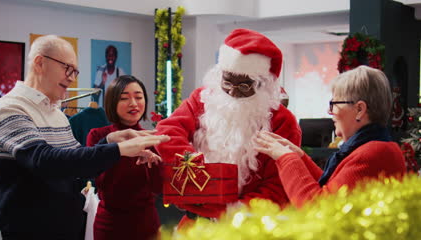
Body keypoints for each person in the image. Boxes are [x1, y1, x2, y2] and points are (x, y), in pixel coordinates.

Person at [0, 35, 169, 240]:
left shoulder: (57, 114)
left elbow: (77, 165)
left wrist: (110, 141)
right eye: (67, 69)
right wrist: (118, 149)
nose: (71, 79)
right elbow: (45, 161)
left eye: (75, 72)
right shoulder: (9, 108)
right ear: (40, 63)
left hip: (67, 238)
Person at [155, 28, 302, 226]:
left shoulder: (282, 121)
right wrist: (194, 170)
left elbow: (280, 186)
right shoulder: (203, 98)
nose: (232, 91)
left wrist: (234, 211)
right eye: (227, 81)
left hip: (247, 232)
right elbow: (168, 131)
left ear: (262, 84)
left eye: (244, 86)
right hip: (194, 226)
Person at [254, 65, 406, 208]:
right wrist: (300, 157)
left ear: (360, 109)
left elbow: (320, 209)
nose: (329, 111)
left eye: (334, 103)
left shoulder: (372, 153)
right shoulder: (377, 147)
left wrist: (287, 158)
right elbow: (333, 188)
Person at [86, 75, 162, 240]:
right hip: (110, 233)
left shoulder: (152, 137)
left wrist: (155, 163)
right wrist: (121, 151)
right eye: (124, 98)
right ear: (112, 102)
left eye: (138, 96)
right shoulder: (99, 136)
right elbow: (101, 181)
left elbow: (160, 188)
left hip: (148, 232)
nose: (133, 103)